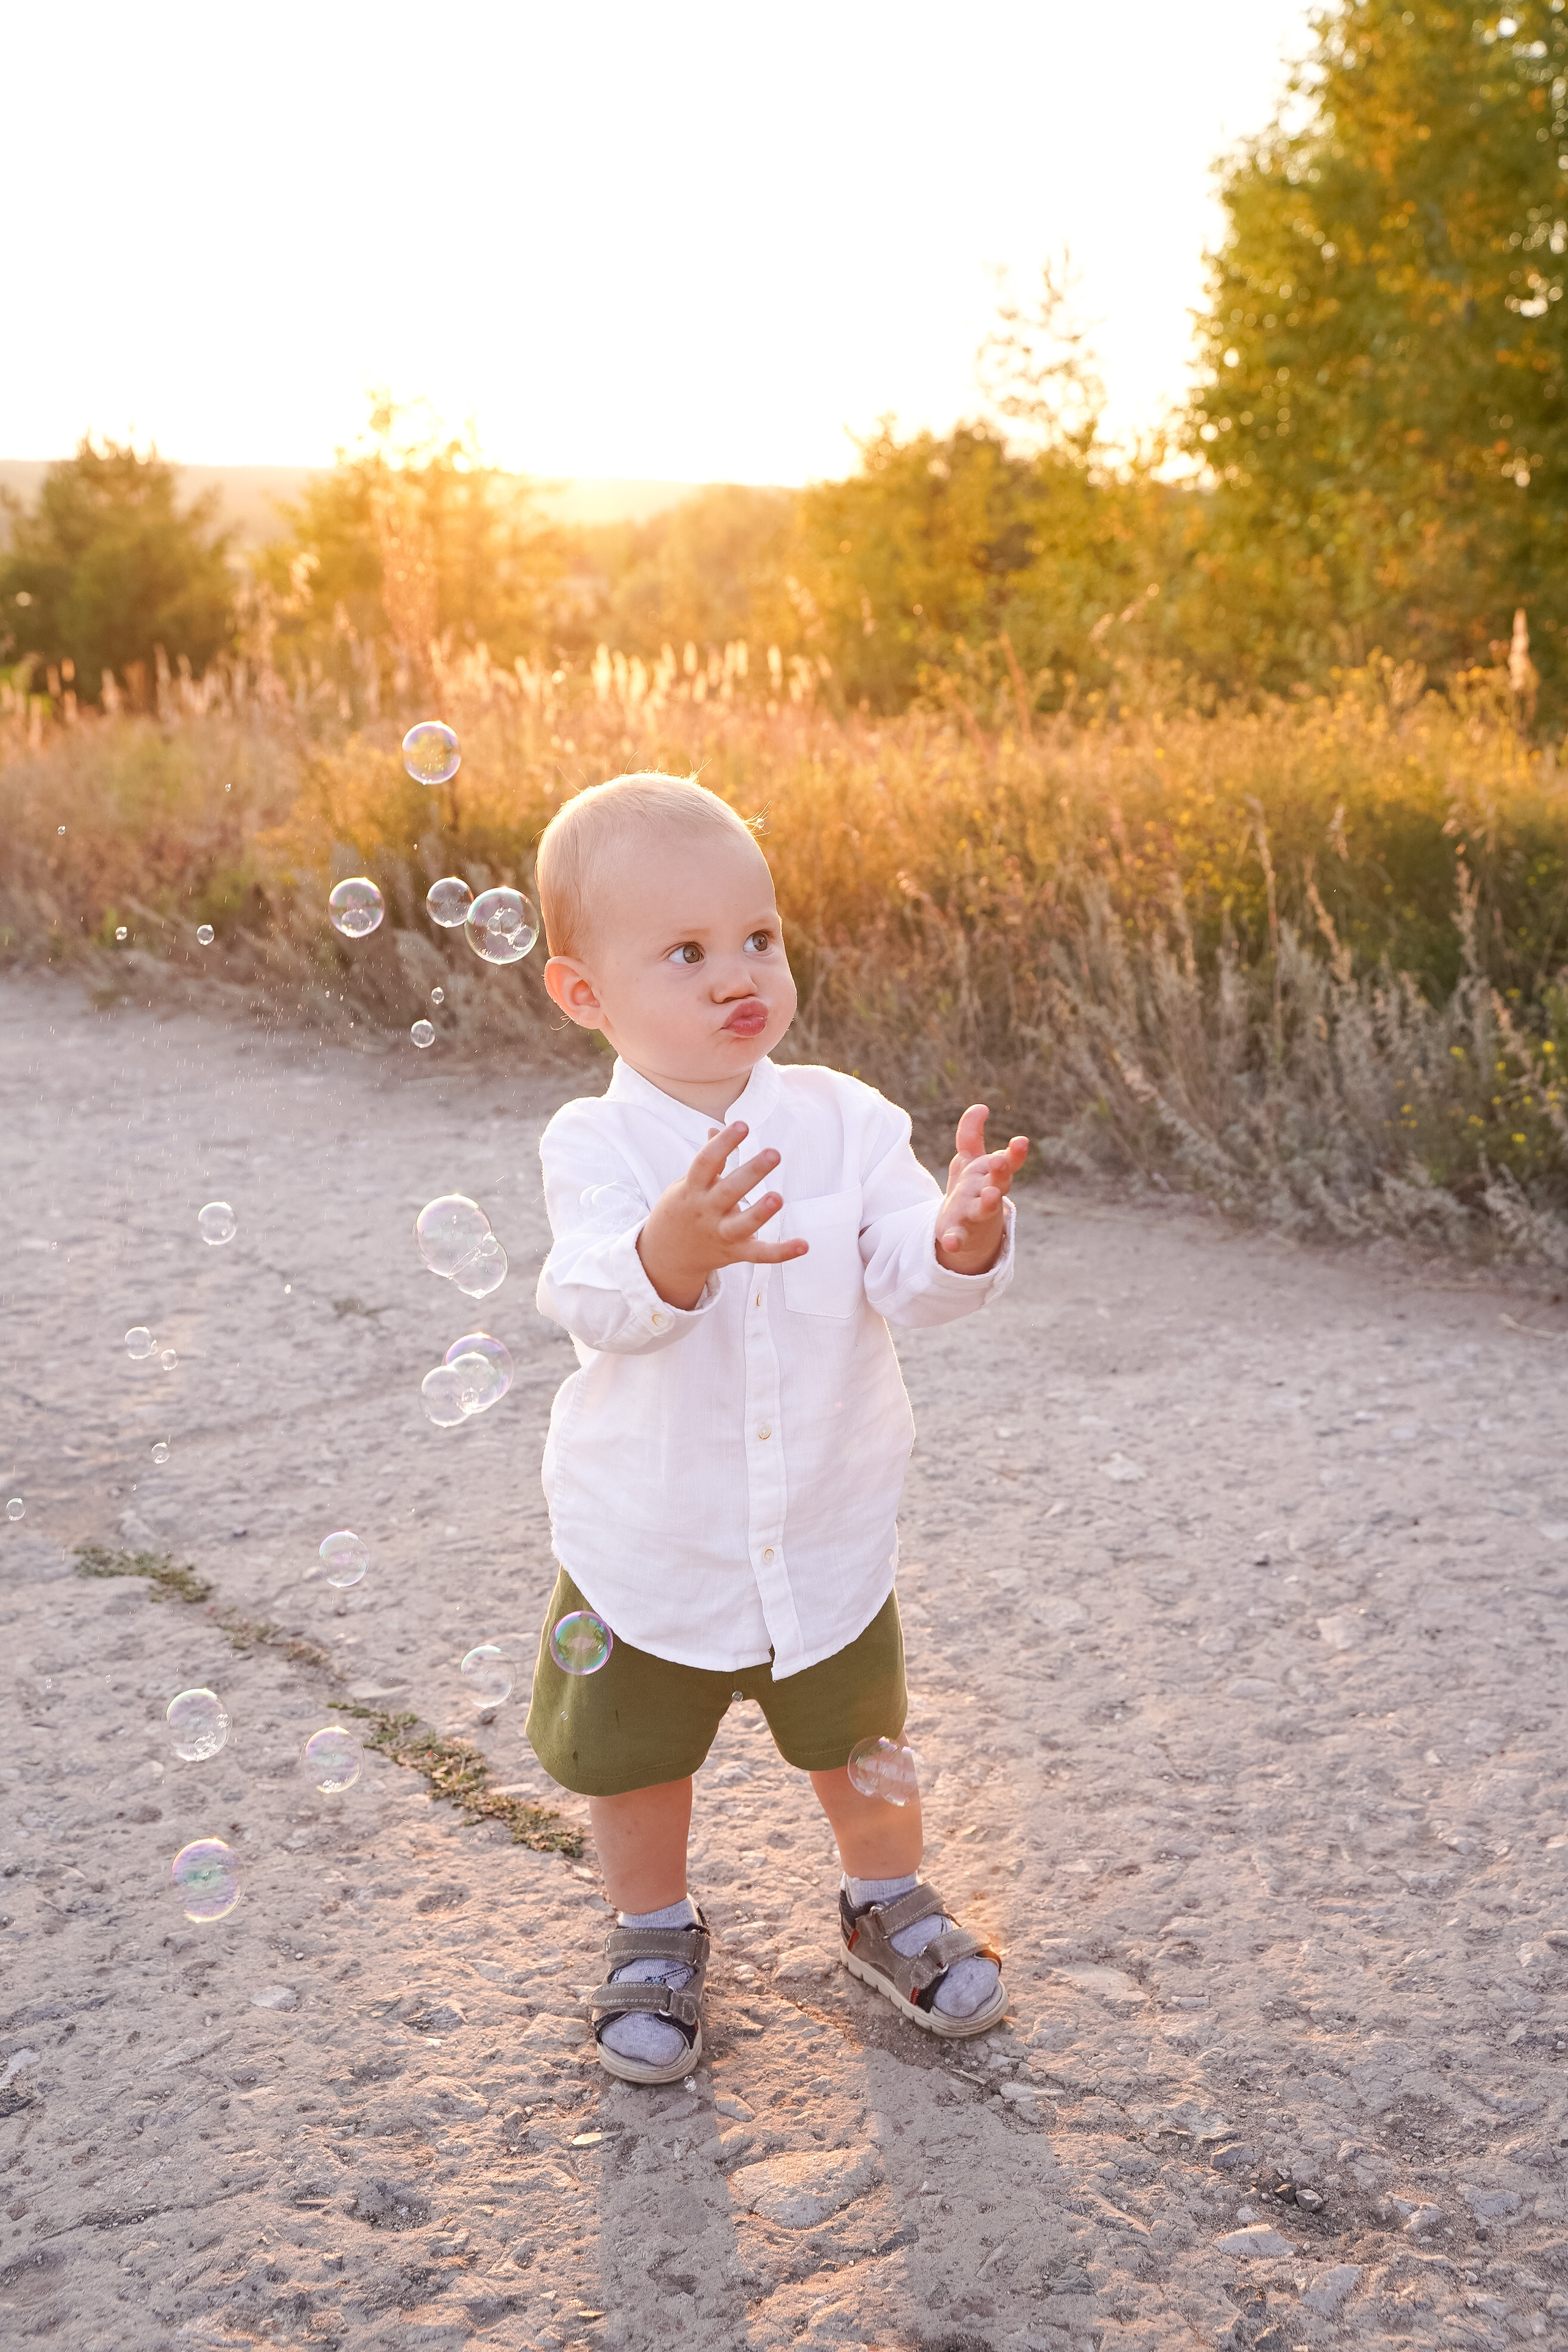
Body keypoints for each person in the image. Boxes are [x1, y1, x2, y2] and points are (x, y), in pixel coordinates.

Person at [526, 772, 1027, 2084]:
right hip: (651, 1540)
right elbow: (586, 1292)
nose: (735, 974)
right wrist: (667, 1253)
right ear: (583, 994)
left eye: (757, 938)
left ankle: (885, 1902)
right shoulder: (596, 1144)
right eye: (683, 953)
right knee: (632, 1755)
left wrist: (959, 1234)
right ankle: (649, 1929)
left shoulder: (844, 1121)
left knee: (859, 1739)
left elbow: (905, 1274)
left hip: (822, 1523)